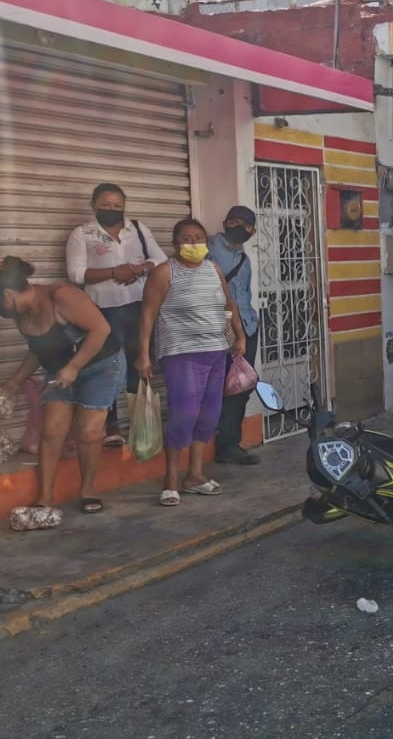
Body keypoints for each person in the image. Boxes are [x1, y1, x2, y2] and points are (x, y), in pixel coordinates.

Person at [0, 256, 125, 528]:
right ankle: (44, 498)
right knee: (51, 431)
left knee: (89, 433)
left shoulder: (61, 296)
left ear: (8, 294)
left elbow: (100, 330)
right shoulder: (22, 314)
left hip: (101, 366)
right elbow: (37, 351)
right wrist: (13, 383)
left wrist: (74, 367)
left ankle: (88, 490)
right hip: (60, 371)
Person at [136, 219, 246, 507]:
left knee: (209, 416)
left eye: (199, 238)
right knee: (183, 414)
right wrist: (143, 353)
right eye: (187, 238)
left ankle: (195, 475)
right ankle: (170, 480)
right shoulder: (164, 272)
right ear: (175, 244)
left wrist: (239, 334)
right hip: (180, 353)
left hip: (216, 352)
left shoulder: (214, 269)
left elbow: (228, 304)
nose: (194, 243)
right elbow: (148, 314)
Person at [64, 183, 161, 447]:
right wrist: (113, 273)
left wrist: (138, 270)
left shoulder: (138, 229)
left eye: (118, 205)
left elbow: (160, 261)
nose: (112, 209)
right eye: (106, 205)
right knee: (107, 366)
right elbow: (76, 274)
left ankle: (140, 424)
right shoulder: (82, 234)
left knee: (139, 363)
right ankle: (111, 426)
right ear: (94, 204)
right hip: (102, 312)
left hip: (139, 307)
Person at [208, 206, 261, 466]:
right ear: (225, 222)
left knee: (242, 386)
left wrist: (249, 324)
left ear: (252, 231)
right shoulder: (208, 248)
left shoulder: (244, 257)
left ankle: (231, 444)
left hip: (248, 327)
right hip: (224, 330)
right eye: (235, 221)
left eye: (246, 224)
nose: (240, 227)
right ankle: (222, 443)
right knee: (221, 388)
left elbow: (243, 296)